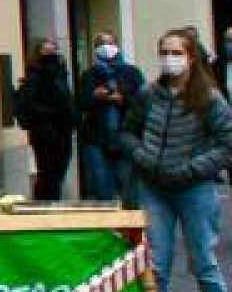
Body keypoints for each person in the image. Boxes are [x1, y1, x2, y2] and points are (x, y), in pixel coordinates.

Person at [119, 28, 232, 292]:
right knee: (156, 263)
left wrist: (194, 168)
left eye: (177, 53)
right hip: (153, 186)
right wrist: (143, 156)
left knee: (203, 260)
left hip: (194, 187)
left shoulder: (209, 99)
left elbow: (227, 143)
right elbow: (127, 132)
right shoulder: (149, 94)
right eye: (165, 52)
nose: (170, 59)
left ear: (191, 57)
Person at [77, 32, 145, 205]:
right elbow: (80, 103)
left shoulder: (131, 73)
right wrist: (95, 96)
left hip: (125, 134)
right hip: (96, 137)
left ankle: (129, 219)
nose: (106, 47)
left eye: (110, 43)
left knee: (128, 187)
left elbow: (143, 102)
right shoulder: (89, 75)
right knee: (102, 187)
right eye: (101, 44)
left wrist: (122, 99)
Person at [11, 38, 76, 203]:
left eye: (53, 50)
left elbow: (66, 100)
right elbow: (29, 104)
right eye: (47, 51)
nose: (51, 55)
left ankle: (51, 201)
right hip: (44, 132)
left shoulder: (61, 74)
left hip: (63, 131)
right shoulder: (35, 76)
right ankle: (45, 203)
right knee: (48, 173)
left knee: (58, 172)